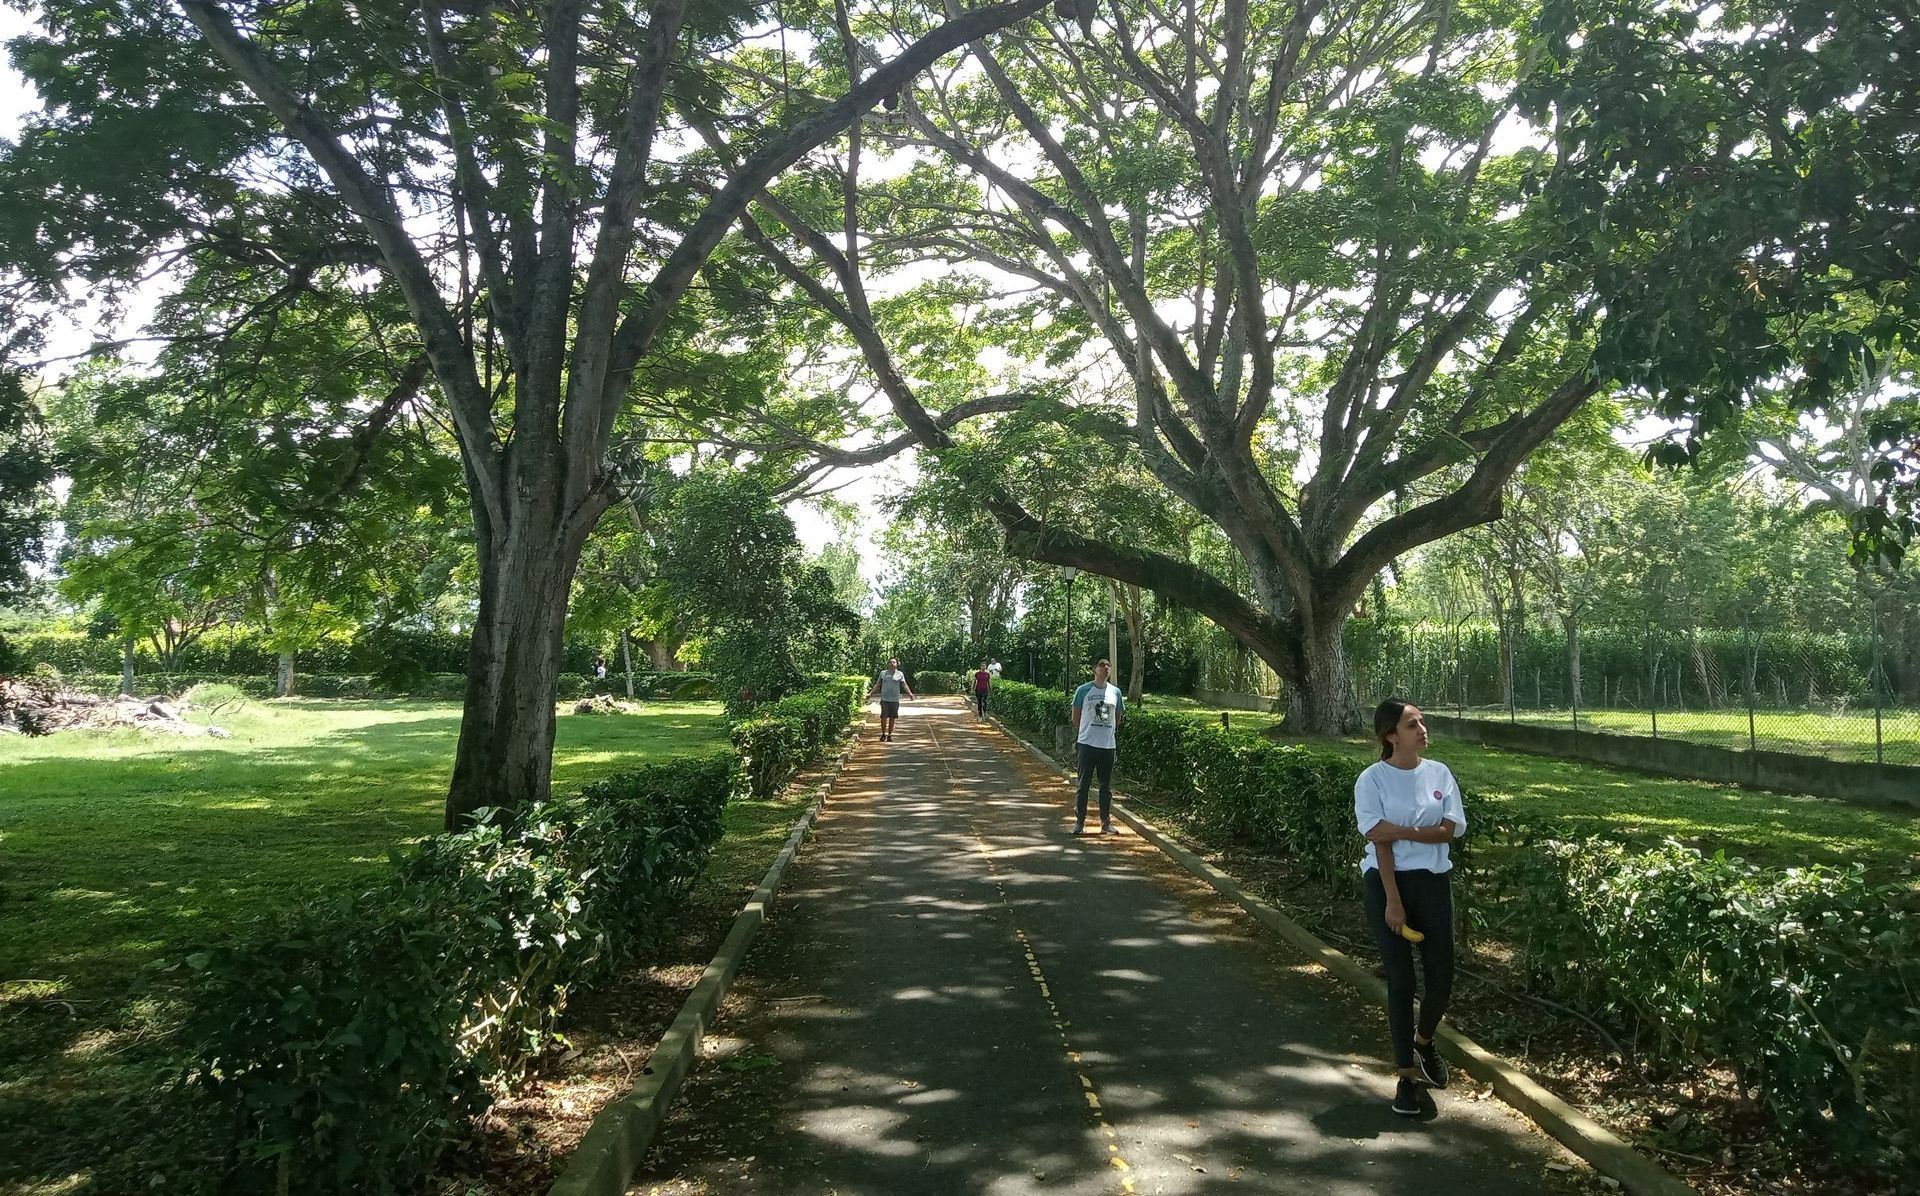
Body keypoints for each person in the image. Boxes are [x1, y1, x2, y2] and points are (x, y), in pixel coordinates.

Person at [1356, 697, 1467, 1117]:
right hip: (1387, 884)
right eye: (1411, 724)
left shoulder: (1440, 773)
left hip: (1433, 884)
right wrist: (1393, 903)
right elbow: (1376, 838)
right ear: (1390, 736)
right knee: (1401, 982)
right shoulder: (1372, 780)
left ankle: (1423, 1042)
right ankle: (1406, 1076)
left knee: (1442, 977)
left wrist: (1400, 832)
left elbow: (1450, 831)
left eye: (1422, 721)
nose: (1422, 729)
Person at [1070, 658, 1125, 835]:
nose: (1106, 668)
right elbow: (1076, 717)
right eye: (1102, 665)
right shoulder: (1083, 690)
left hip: (1108, 746)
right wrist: (1085, 733)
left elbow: (1117, 718)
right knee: (1083, 784)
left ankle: (1105, 822)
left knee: (1105, 786)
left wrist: (1106, 733)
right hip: (1086, 745)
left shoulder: (1115, 692)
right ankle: (1080, 822)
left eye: (1109, 665)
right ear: (1094, 669)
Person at [868, 658, 915, 743]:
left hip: (894, 699)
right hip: (885, 699)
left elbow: (904, 685)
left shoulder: (900, 674)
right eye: (890, 662)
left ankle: (889, 735)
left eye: (894, 662)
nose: (892, 664)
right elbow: (878, 684)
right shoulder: (883, 673)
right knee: (883, 717)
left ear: (897, 664)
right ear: (887, 664)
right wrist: (870, 693)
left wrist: (910, 694)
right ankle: (883, 734)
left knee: (892, 718)